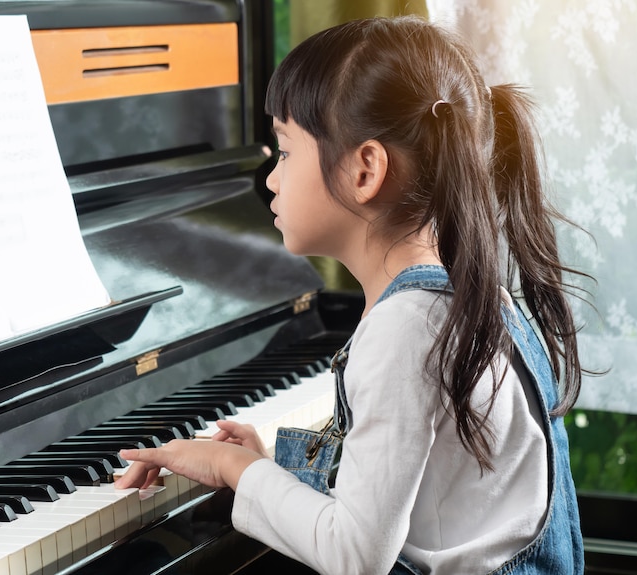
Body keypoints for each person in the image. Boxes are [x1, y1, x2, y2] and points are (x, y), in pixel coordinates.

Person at [116, 15, 586, 575]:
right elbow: (407, 494)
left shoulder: (405, 328)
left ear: (365, 169)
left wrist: (233, 469)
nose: (269, 178)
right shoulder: (471, 297)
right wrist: (271, 469)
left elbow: (355, 556)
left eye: (285, 152)